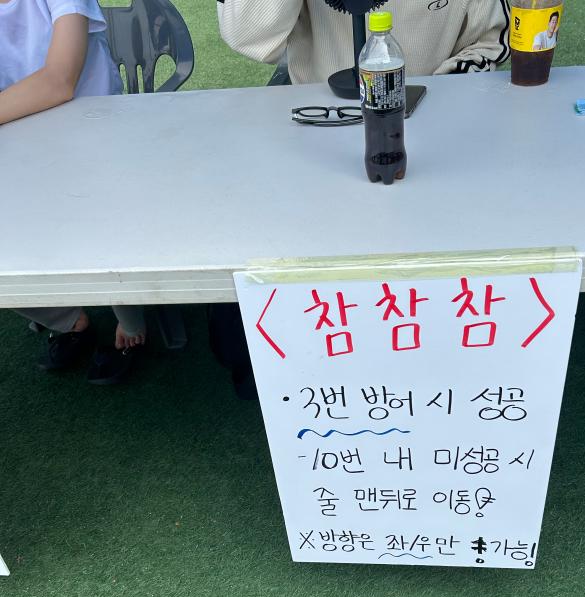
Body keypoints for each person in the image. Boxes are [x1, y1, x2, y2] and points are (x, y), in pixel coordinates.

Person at [0, 0, 146, 383]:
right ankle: (68, 319)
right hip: (20, 136)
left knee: (105, 220)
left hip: (95, 130)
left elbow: (59, 80)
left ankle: (131, 319)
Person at [217, 0, 511, 84]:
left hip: (433, 114)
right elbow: (246, 35)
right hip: (319, 113)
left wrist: (438, 99)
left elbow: (488, 42)